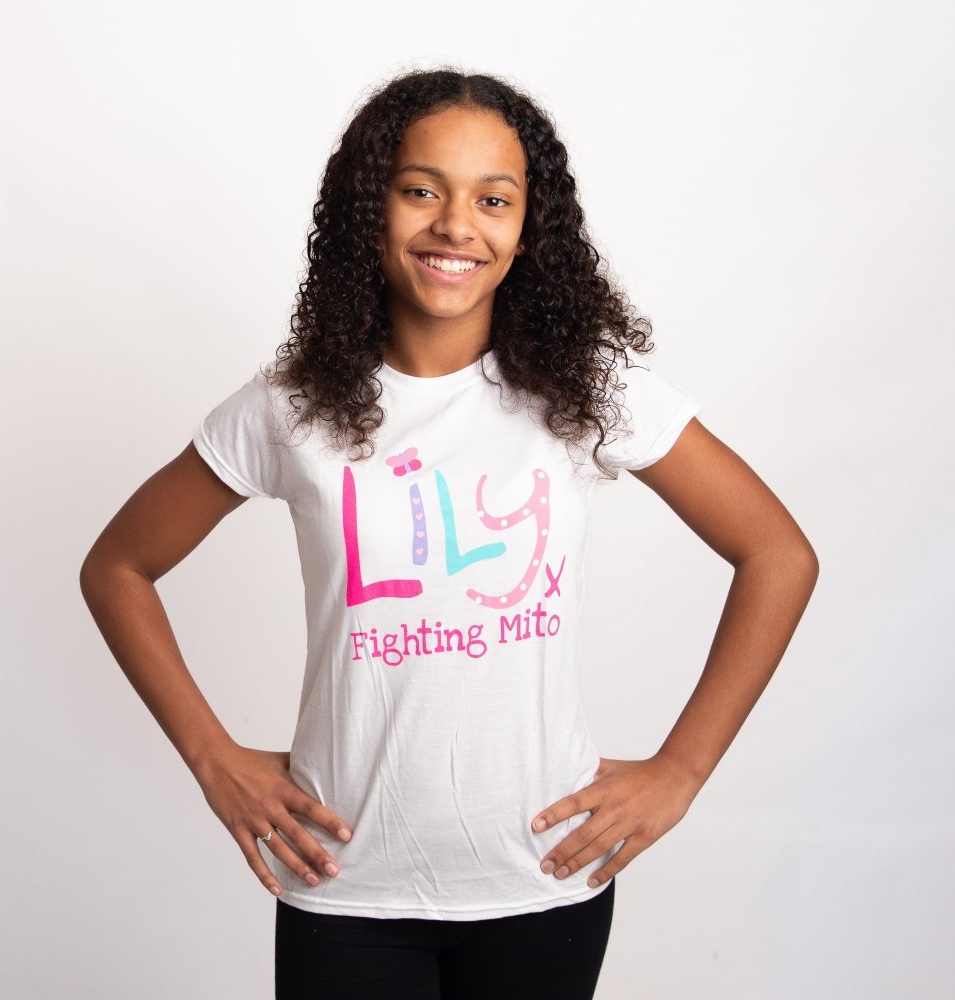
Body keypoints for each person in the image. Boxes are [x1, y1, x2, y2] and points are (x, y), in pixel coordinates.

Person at [80, 68, 818, 999]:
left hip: (543, 881)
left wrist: (683, 769)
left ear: (527, 228)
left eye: (493, 199)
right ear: (370, 208)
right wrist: (211, 758)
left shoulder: (586, 392)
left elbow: (778, 554)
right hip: (343, 888)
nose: (455, 225)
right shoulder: (292, 407)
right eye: (421, 189)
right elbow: (118, 566)